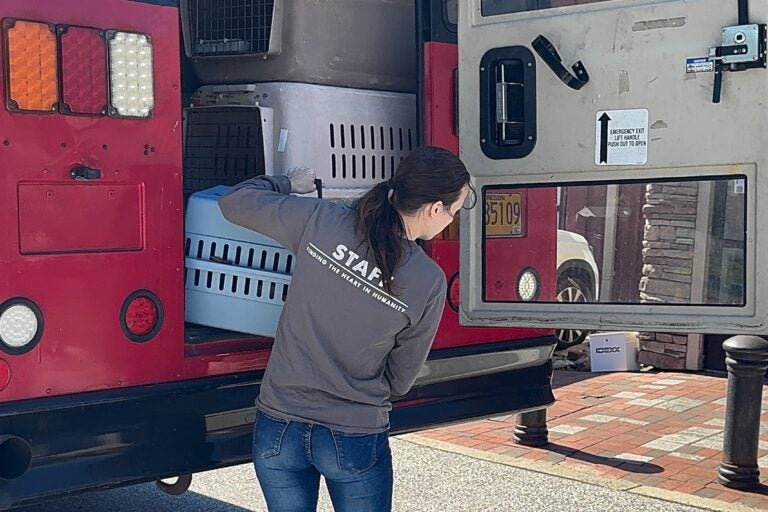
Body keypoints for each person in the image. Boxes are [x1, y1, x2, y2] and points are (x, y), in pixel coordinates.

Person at [218, 146, 472, 512]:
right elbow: (400, 380)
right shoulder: (427, 281)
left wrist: (288, 182)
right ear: (435, 208)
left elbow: (235, 202)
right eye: (455, 211)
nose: (451, 220)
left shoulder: (321, 220)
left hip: (279, 425)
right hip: (352, 434)